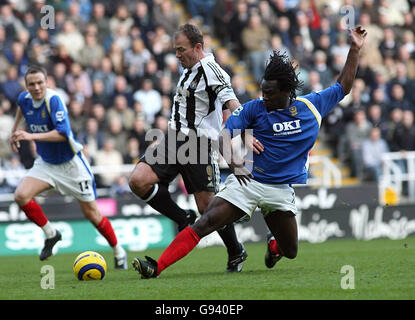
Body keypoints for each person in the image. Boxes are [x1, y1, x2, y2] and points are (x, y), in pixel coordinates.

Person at [132, 26, 367, 278]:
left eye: (269, 92)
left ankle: (273, 245)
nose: (263, 96)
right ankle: (156, 267)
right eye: (262, 90)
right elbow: (223, 135)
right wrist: (235, 164)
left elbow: (343, 85)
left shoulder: (312, 106)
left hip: (280, 190)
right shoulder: (255, 108)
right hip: (248, 182)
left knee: (291, 251)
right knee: (206, 221)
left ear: (287, 92)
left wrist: (354, 49)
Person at [128, 23, 263, 272]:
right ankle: (183, 218)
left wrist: (245, 134)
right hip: (172, 139)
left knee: (208, 208)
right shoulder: (190, 67)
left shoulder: (213, 70)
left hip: (199, 145)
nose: (177, 55)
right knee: (138, 181)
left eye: (181, 50)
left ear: (197, 47)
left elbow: (232, 102)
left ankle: (236, 250)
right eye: (175, 50)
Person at [9, 65, 127, 269]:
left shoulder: (53, 100)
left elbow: (62, 133)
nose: (36, 87)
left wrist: (30, 136)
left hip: (71, 165)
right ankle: (51, 234)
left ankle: (118, 251)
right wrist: (14, 131)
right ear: (26, 86)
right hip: (46, 164)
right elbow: (20, 109)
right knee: (20, 195)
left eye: (40, 83)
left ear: (47, 82)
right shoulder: (24, 99)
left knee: (92, 214)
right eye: (32, 84)